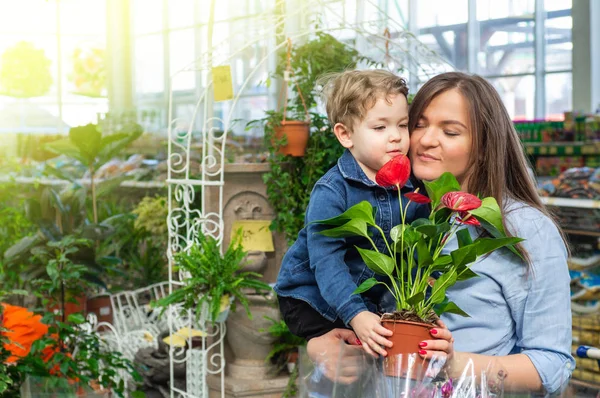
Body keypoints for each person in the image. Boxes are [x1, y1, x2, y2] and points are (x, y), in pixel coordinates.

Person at [305, 71, 574, 395]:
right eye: (417, 125)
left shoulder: (526, 228)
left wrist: (455, 364)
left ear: (485, 144)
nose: (425, 140)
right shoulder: (402, 212)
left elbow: (553, 363)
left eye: (450, 131)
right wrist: (324, 345)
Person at [274, 69, 430, 357]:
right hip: (312, 296)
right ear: (345, 135)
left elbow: (419, 253)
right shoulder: (332, 191)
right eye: (380, 128)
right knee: (343, 350)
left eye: (403, 125)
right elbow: (326, 260)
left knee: (382, 347)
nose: (396, 137)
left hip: (371, 296)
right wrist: (355, 314)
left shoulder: (413, 186)